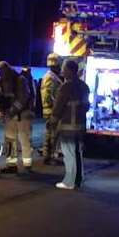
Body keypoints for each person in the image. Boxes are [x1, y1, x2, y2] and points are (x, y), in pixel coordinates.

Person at [49, 59, 90, 189]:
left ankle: (69, 182)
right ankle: (78, 179)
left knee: (69, 154)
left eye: (64, 69)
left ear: (70, 71)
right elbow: (86, 106)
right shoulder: (84, 86)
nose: (62, 71)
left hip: (68, 126)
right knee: (78, 153)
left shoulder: (65, 87)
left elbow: (58, 107)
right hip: (81, 126)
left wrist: (52, 122)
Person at [0, 61, 34, 173]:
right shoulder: (0, 83)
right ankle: (11, 165)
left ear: (7, 70)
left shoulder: (20, 80)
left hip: (23, 115)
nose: (0, 74)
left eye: (1, 71)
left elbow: (23, 99)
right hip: (9, 115)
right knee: (10, 140)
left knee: (24, 139)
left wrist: (11, 111)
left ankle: (27, 164)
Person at [41, 52, 64, 165]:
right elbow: (48, 96)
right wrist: (55, 107)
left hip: (52, 110)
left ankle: (49, 155)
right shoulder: (50, 77)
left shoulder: (53, 76)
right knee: (52, 135)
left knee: (52, 134)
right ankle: (49, 157)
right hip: (52, 111)